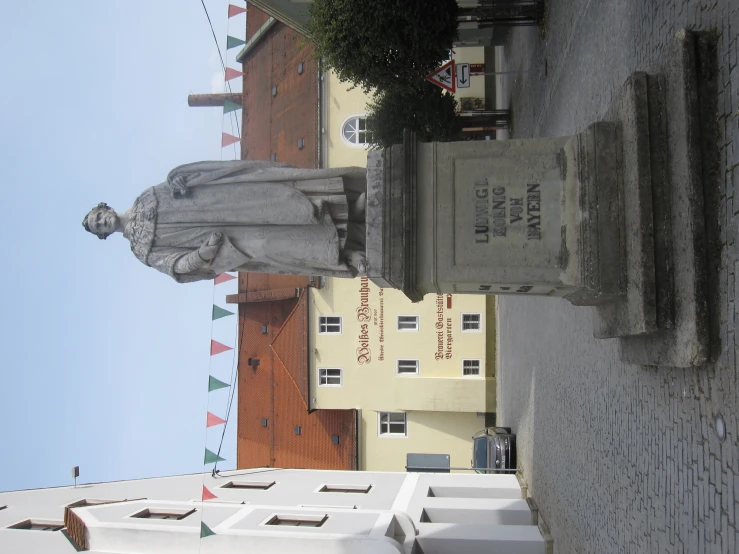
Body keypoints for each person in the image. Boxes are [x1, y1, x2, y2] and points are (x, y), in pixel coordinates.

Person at [82, 160, 367, 283]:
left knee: (275, 201)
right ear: (103, 235)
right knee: (271, 245)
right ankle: (346, 252)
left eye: (98, 217)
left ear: (104, 208)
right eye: (98, 227)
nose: (102, 222)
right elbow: (176, 267)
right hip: (221, 242)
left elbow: (183, 180)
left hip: (222, 204)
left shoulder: (145, 197)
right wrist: (202, 254)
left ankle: (349, 211)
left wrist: (181, 178)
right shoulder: (142, 251)